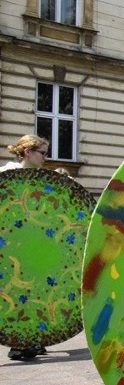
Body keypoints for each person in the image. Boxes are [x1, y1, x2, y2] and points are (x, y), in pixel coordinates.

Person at [2, 135, 52, 360]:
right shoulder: (6, 175)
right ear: (27, 152)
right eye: (42, 152)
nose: (45, 158)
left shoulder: (41, 180)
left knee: (35, 293)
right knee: (15, 293)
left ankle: (32, 340)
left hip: (33, 246)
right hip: (11, 246)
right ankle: (18, 342)